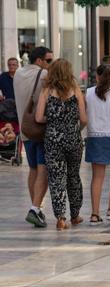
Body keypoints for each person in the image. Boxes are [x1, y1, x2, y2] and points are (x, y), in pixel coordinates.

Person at [34, 59, 87, 230]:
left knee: (56, 179)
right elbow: (84, 119)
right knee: (73, 176)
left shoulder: (46, 91)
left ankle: (60, 218)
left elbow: (38, 118)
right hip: (73, 139)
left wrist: (53, 121)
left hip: (53, 140)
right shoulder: (76, 90)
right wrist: (74, 128)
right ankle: (75, 215)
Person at [13, 46, 54, 228]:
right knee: (43, 169)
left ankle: (35, 209)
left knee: (33, 170)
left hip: (25, 130)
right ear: (39, 61)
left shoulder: (18, 74)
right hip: (41, 129)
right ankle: (35, 208)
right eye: (49, 61)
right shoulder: (44, 75)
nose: (50, 64)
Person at [85, 64, 110, 225]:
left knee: (97, 176)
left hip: (94, 137)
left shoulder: (88, 93)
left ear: (97, 76)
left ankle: (94, 214)